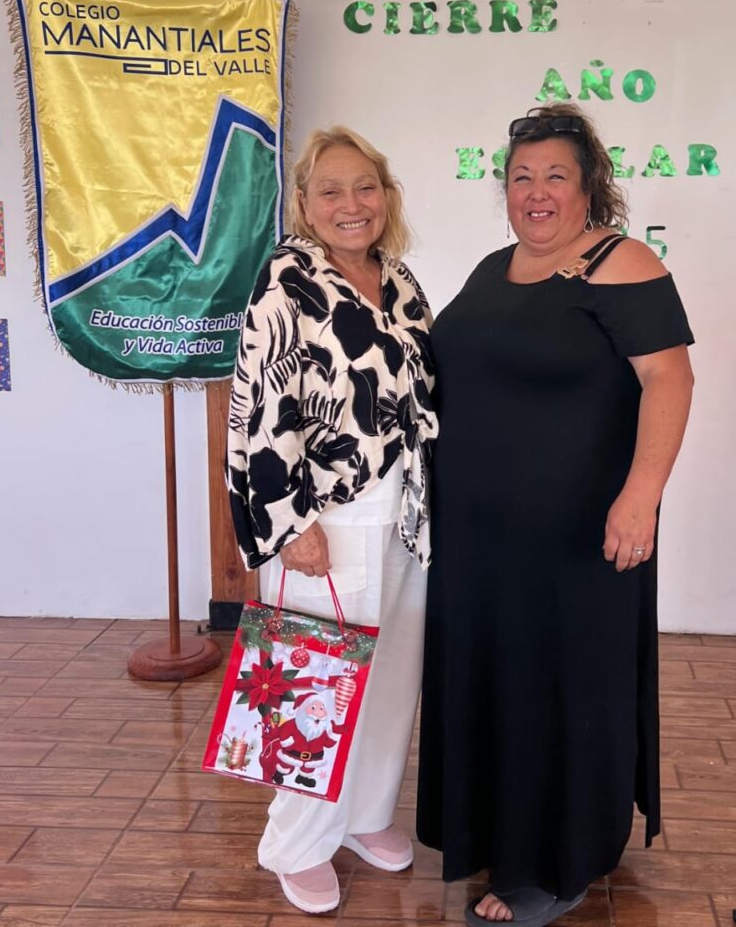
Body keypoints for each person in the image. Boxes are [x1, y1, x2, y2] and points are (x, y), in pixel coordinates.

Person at [416, 102, 694, 927]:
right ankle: (499, 834)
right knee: (501, 682)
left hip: (575, 535)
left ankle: (559, 863)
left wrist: (641, 495)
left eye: (554, 177)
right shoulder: (490, 268)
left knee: (565, 689)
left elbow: (669, 380)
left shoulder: (621, 261)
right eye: (520, 177)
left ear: (587, 186)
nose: (535, 192)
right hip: (477, 538)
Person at [227, 126, 438, 914]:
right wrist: (288, 523)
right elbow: (259, 411)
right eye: (331, 191)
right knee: (311, 680)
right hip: (325, 517)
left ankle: (362, 815)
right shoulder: (286, 282)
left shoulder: (398, 278)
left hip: (406, 512)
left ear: (386, 196)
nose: (351, 205)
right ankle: (295, 843)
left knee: (390, 677)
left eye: (365, 187)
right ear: (305, 205)